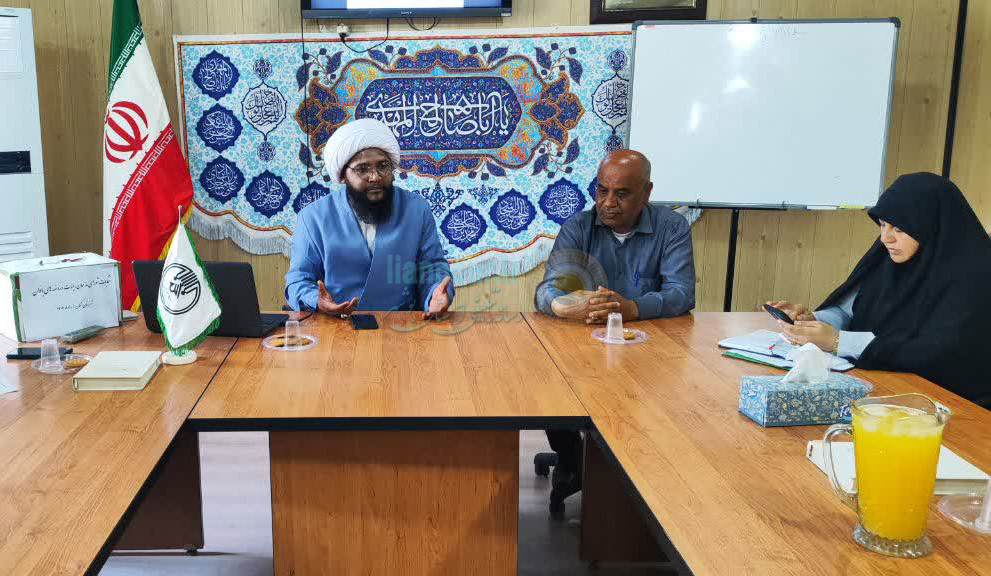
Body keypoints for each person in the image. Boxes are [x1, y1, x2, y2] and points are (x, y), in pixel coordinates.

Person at [534, 149, 696, 518]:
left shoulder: (672, 228)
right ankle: (572, 461)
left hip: (649, 354)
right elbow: (547, 290)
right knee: (550, 386)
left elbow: (682, 293)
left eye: (621, 194)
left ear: (647, 192)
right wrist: (563, 306)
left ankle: (641, 476)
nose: (608, 203)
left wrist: (631, 308)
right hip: (583, 349)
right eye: (601, 190)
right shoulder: (578, 227)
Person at [767, 172, 991, 407]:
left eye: (899, 229)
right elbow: (848, 311)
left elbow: (939, 353)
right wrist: (812, 322)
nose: (886, 238)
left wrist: (839, 342)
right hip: (885, 389)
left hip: (952, 406)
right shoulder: (889, 257)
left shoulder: (977, 275)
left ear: (930, 226)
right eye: (883, 224)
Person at [285, 118, 454, 317]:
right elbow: (298, 280)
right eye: (362, 169)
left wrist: (436, 295)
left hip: (402, 325)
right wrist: (317, 301)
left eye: (383, 166)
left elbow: (432, 268)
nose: (375, 177)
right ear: (343, 175)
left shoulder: (416, 209)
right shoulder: (313, 217)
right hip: (337, 325)